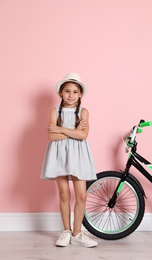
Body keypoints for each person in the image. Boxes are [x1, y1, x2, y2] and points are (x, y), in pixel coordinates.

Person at [41, 72, 98, 248]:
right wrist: (72, 131)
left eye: (75, 91)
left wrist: (60, 129)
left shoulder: (83, 112)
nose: (71, 95)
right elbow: (51, 137)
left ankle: (77, 233)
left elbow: (83, 135)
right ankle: (66, 231)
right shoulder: (54, 111)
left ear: (80, 94)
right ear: (61, 93)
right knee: (64, 194)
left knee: (81, 194)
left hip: (79, 155)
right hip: (59, 155)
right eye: (67, 91)